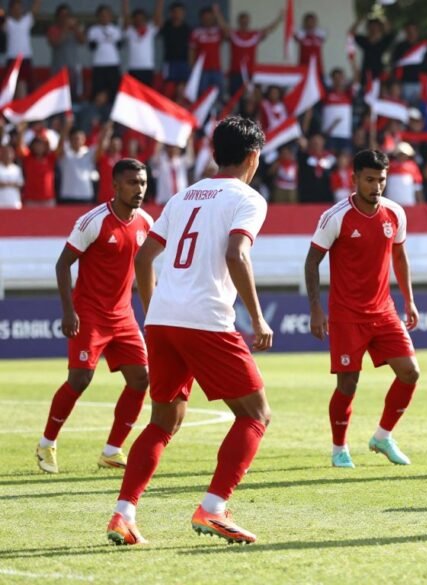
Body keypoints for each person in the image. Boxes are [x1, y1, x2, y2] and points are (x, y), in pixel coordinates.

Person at [107, 116, 273, 546]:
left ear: (216, 152)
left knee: (163, 420)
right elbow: (238, 254)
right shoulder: (248, 198)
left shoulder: (182, 196)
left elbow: (144, 259)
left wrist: (154, 310)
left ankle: (123, 514)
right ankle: (214, 508)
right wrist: (257, 317)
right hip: (206, 320)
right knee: (255, 415)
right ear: (253, 156)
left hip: (163, 319)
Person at [304, 149, 421, 469]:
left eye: (381, 180)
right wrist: (316, 309)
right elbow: (312, 261)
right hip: (346, 314)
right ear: (354, 179)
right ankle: (339, 448)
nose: (376, 186)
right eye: (369, 180)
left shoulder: (395, 213)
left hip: (383, 311)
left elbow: (400, 256)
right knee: (348, 384)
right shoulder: (336, 216)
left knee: (410, 373)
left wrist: (409, 299)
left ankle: (382, 436)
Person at [36, 159, 152, 475]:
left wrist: (152, 308)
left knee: (142, 379)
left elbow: (145, 269)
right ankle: (47, 443)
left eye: (142, 182)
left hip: (123, 315)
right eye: (132, 182)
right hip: (89, 314)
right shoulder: (93, 221)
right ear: (115, 185)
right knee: (80, 379)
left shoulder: (145, 222)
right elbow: (62, 265)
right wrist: (69, 311)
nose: (139, 189)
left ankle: (112, 451)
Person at [226, 9, 283, 96]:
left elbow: (269, 29)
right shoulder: (234, 34)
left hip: (251, 72)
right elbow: (223, 28)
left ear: (249, 21)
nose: (244, 23)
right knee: (234, 97)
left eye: (246, 21)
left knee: (251, 97)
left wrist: (279, 19)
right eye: (242, 21)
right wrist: (217, 13)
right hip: (235, 72)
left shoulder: (254, 35)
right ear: (239, 22)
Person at [122, 0, 164, 88]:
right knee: (134, 94)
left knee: (146, 93)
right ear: (133, 19)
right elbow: (126, 16)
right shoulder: (130, 31)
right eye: (136, 18)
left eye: (141, 18)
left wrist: (159, 3)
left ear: (145, 19)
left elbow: (157, 16)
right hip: (133, 68)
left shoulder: (150, 30)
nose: (139, 20)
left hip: (148, 68)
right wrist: (125, 3)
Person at [47, 4, 85, 98]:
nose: (65, 18)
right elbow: (55, 43)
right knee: (58, 94)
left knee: (73, 93)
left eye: (67, 15)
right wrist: (65, 28)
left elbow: (82, 41)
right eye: (62, 15)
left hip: (73, 67)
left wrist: (75, 27)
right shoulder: (53, 29)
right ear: (57, 17)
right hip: (58, 67)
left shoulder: (75, 28)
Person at [190, 5, 228, 96]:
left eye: (210, 18)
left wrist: (217, 14)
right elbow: (191, 51)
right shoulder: (196, 32)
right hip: (202, 70)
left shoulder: (218, 31)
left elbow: (227, 33)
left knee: (219, 94)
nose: (207, 20)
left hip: (216, 69)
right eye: (205, 18)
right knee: (202, 95)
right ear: (201, 18)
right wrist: (192, 68)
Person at [87, 5, 123, 100]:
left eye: (107, 15)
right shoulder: (93, 30)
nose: (104, 17)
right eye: (102, 15)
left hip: (113, 64)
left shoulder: (116, 30)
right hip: (99, 64)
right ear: (98, 16)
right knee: (98, 91)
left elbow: (120, 46)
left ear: (110, 16)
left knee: (114, 91)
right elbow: (91, 47)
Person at [56, 122, 96, 204]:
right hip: (67, 196)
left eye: (80, 138)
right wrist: (65, 130)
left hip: (86, 196)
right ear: (70, 140)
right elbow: (60, 146)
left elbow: (101, 148)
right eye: (75, 138)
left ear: (84, 139)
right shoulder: (65, 154)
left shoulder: (89, 153)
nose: (77, 141)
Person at [5, 0, 40, 90]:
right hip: (12, 58)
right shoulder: (8, 22)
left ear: (22, 8)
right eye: (15, 8)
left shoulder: (27, 20)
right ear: (11, 10)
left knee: (24, 84)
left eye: (19, 7)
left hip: (25, 58)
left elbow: (35, 9)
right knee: (10, 87)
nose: (17, 10)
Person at [351, 14, 394, 86]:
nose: (374, 29)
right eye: (371, 26)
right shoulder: (364, 41)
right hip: (366, 74)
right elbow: (351, 33)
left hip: (379, 73)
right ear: (368, 28)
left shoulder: (383, 42)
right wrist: (359, 21)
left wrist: (383, 17)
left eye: (376, 26)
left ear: (380, 28)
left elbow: (390, 32)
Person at [159, 2, 191, 95]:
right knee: (168, 87)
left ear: (184, 14)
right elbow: (157, 21)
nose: (178, 14)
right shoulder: (166, 26)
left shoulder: (187, 28)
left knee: (182, 88)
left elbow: (191, 48)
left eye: (180, 12)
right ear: (171, 13)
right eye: (175, 12)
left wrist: (190, 64)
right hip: (169, 62)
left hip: (184, 62)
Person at [383, 142, 423, 206]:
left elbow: (417, 186)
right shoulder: (389, 166)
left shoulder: (413, 167)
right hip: (391, 202)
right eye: (400, 154)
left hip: (408, 203)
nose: (402, 156)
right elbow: (384, 184)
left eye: (404, 154)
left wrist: (421, 203)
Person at [294, 12, 328, 80]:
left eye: (313, 21)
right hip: (303, 67)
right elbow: (295, 36)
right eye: (308, 21)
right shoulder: (300, 34)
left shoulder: (321, 34)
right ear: (305, 22)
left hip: (318, 68)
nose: (311, 23)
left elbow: (324, 36)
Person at [0, 144, 23, 209]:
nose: (8, 155)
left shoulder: (17, 169)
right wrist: (11, 183)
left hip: (14, 202)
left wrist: (5, 184)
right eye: (5, 153)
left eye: (10, 153)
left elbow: (19, 184)